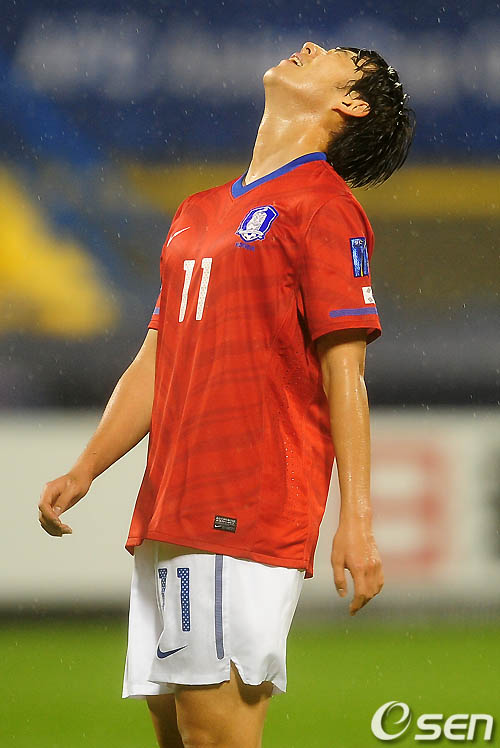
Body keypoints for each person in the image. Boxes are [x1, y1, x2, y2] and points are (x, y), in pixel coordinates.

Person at [38, 41, 415, 748]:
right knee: (175, 729)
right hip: (171, 502)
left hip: (248, 501)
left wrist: (358, 520)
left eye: (334, 56)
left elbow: (346, 374)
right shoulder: (199, 209)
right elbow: (158, 355)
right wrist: (87, 467)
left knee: (216, 732)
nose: (309, 47)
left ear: (351, 104)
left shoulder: (324, 208)